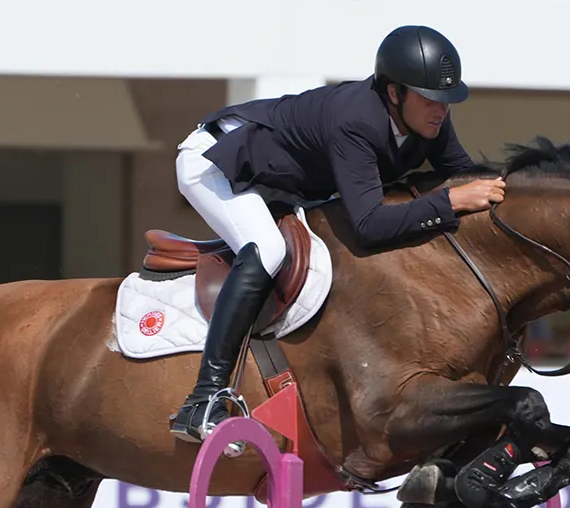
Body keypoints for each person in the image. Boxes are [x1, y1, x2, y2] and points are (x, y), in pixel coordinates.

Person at [167, 24, 508, 442]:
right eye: (428, 98)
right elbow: (368, 225)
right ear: (394, 92)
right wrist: (451, 202)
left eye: (445, 100)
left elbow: (468, 176)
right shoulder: (356, 121)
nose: (440, 109)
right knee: (269, 249)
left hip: (280, 182)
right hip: (217, 163)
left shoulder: (428, 123)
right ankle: (204, 398)